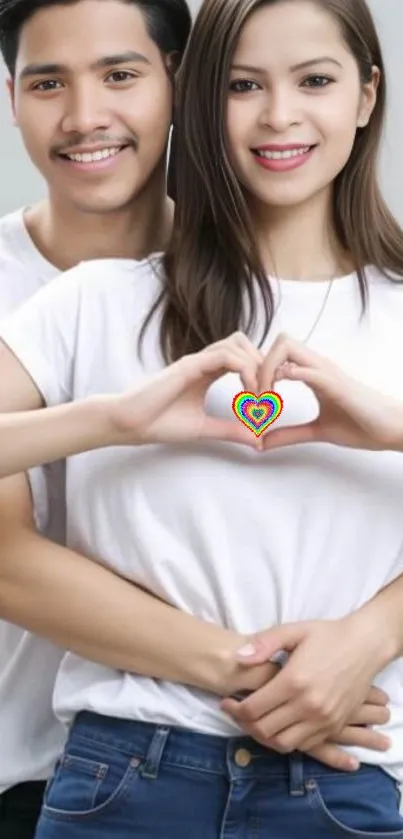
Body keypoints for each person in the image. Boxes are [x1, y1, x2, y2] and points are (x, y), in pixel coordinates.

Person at [2, 0, 403, 835]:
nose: (279, 114)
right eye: (241, 85)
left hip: (345, 774)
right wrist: (114, 418)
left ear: (366, 96)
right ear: (196, 103)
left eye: (315, 81)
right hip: (122, 771)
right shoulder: (100, 299)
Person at [0, 0, 191, 835]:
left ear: (179, 83)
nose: (85, 118)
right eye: (48, 83)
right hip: (28, 769)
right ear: (11, 95)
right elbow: (6, 560)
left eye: (120, 74)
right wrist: (262, 673)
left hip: (249, 763)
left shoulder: (264, 279)